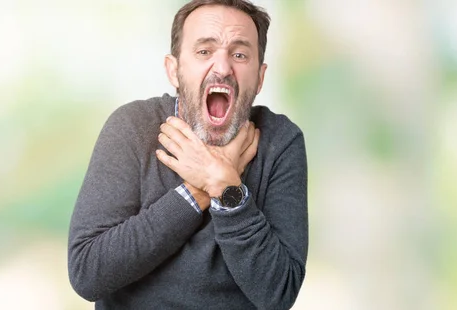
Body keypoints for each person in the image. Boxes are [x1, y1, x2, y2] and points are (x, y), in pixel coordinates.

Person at [67, 0, 308, 309]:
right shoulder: (132, 128)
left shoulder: (280, 141)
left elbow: (279, 294)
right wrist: (197, 192)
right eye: (204, 51)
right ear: (174, 70)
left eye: (239, 54)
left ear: (260, 77)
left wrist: (227, 190)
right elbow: (88, 273)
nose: (222, 68)